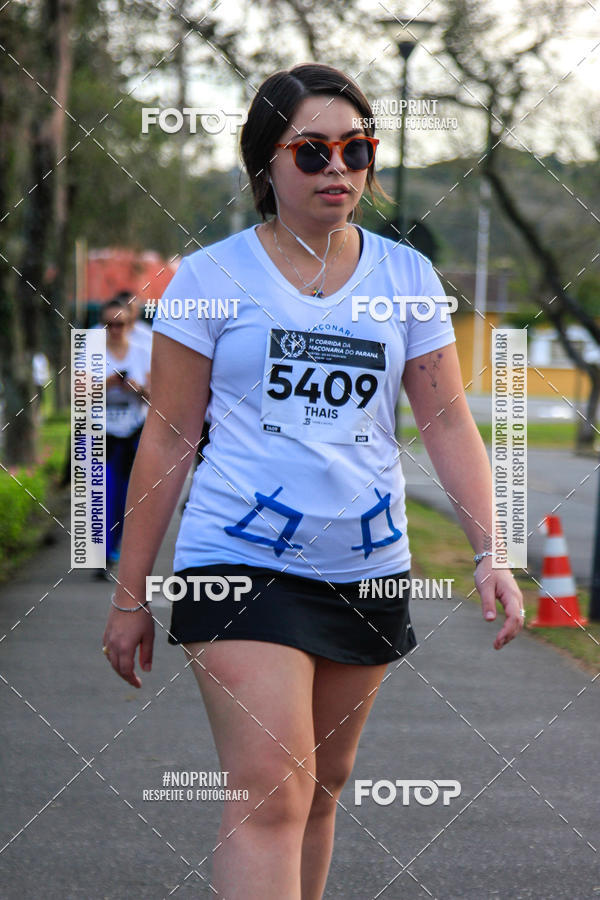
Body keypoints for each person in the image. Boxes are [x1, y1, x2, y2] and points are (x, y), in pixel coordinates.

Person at [102, 63, 524, 898]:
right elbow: (171, 437)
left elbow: (446, 424)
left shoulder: (406, 279)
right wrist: (129, 593)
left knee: (323, 788)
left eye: (357, 150)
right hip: (238, 558)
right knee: (270, 791)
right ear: (267, 163)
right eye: (313, 152)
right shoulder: (209, 279)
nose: (339, 169)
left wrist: (492, 551)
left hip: (365, 564)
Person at [99, 297, 151, 579]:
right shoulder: (91, 352)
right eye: (109, 325)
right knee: (102, 494)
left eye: (120, 324)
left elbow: (156, 396)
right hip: (102, 434)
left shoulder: (143, 351)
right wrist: (108, 383)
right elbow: (77, 396)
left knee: (126, 498)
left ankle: (118, 548)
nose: (115, 330)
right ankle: (102, 555)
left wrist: (138, 388)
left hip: (133, 433)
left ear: (131, 324)